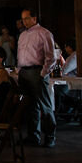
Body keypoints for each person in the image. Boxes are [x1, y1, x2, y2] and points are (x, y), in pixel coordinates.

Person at [17, 8, 57, 147]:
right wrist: (19, 70)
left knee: (45, 105)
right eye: (23, 19)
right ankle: (33, 135)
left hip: (36, 71)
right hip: (24, 72)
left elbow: (51, 56)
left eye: (27, 18)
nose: (24, 21)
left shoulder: (44, 33)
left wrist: (43, 73)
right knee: (30, 106)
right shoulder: (22, 35)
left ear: (34, 18)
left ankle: (50, 137)